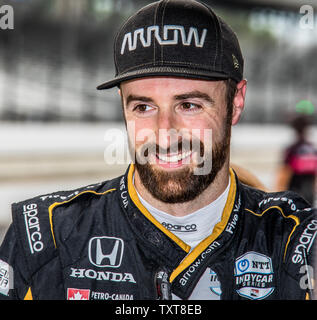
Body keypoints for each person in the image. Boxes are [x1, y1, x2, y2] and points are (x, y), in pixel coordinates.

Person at [0, 0, 316, 300]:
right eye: (143, 106)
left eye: (189, 104)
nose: (165, 135)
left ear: (235, 103)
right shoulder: (44, 235)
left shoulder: (295, 240)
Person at [275, 114, 317, 206]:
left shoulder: (292, 150)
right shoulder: (312, 149)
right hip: (309, 197)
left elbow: (284, 174)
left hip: (293, 196)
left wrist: (278, 194)